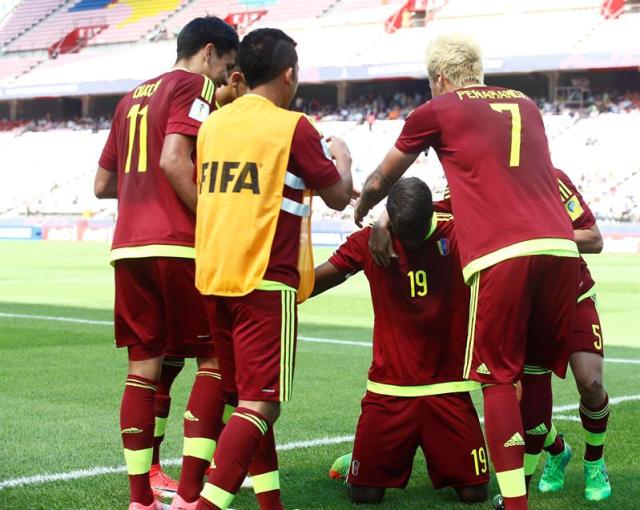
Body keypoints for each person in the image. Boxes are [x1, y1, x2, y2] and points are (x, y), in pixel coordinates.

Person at [354, 34, 580, 510]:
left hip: (504, 252)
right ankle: (556, 451)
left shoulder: (437, 110)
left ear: (439, 78)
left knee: (497, 378)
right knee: (532, 370)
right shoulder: (525, 102)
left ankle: (516, 503)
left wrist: (367, 210)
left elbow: (383, 178)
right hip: (562, 248)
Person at [193, 28, 353, 510]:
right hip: (264, 277)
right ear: (289, 74)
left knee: (244, 398)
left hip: (213, 275)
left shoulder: (213, 125)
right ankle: (204, 505)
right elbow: (340, 195)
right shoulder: (292, 126)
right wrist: (342, 157)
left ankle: (270, 503)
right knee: (263, 404)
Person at [94, 16, 239, 510]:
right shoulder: (195, 83)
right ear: (208, 51)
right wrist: (211, 219)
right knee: (215, 361)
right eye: (226, 66)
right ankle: (192, 496)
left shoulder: (131, 96)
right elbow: (174, 162)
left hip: (128, 247)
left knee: (143, 369)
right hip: (178, 245)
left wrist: (142, 195)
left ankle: (141, 500)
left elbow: (102, 184)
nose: (223, 78)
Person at [316, 178, 489, 504]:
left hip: (447, 387)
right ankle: (360, 458)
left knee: (475, 493)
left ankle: (366, 457)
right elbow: (318, 279)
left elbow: (476, 202)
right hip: (389, 390)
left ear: (430, 217)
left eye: (412, 231)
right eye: (400, 230)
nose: (406, 241)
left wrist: (381, 217)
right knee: (363, 495)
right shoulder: (370, 241)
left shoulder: (456, 232)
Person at [523, 169, 611, 501]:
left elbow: (594, 238)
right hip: (530, 310)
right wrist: (385, 219)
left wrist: (543, 235)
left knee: (592, 383)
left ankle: (594, 461)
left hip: (574, 296)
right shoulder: (488, 182)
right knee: (532, 410)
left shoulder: (551, 178)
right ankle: (558, 452)